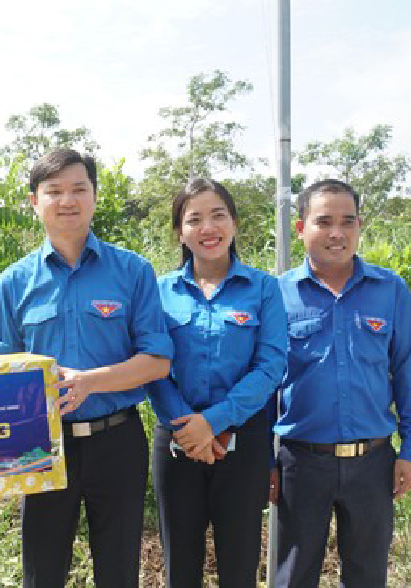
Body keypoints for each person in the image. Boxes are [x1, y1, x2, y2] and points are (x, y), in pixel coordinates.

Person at [0, 149, 173, 587]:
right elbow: (5, 368)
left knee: (118, 568)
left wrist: (91, 382)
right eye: (54, 191)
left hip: (117, 439)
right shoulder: (14, 282)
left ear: (94, 196)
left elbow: (157, 361)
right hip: (44, 444)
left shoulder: (132, 271)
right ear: (34, 201)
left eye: (79, 189)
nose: (67, 200)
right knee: (43, 569)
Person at [148, 179, 287, 587]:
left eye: (218, 215)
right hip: (177, 443)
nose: (207, 228)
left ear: (235, 224)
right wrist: (188, 427)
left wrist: (212, 421)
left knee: (239, 566)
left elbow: (270, 365)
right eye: (194, 219)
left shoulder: (263, 289)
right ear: (180, 232)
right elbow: (152, 366)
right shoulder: (158, 292)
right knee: (180, 566)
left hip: (243, 443)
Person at [272, 179, 411, 588]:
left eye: (348, 221)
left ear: (359, 226)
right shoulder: (277, 294)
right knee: (294, 575)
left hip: (374, 463)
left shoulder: (390, 290)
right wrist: (265, 460)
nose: (337, 233)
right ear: (301, 228)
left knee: (368, 576)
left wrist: (409, 450)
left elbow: (406, 370)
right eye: (324, 221)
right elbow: (264, 384)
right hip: (301, 463)